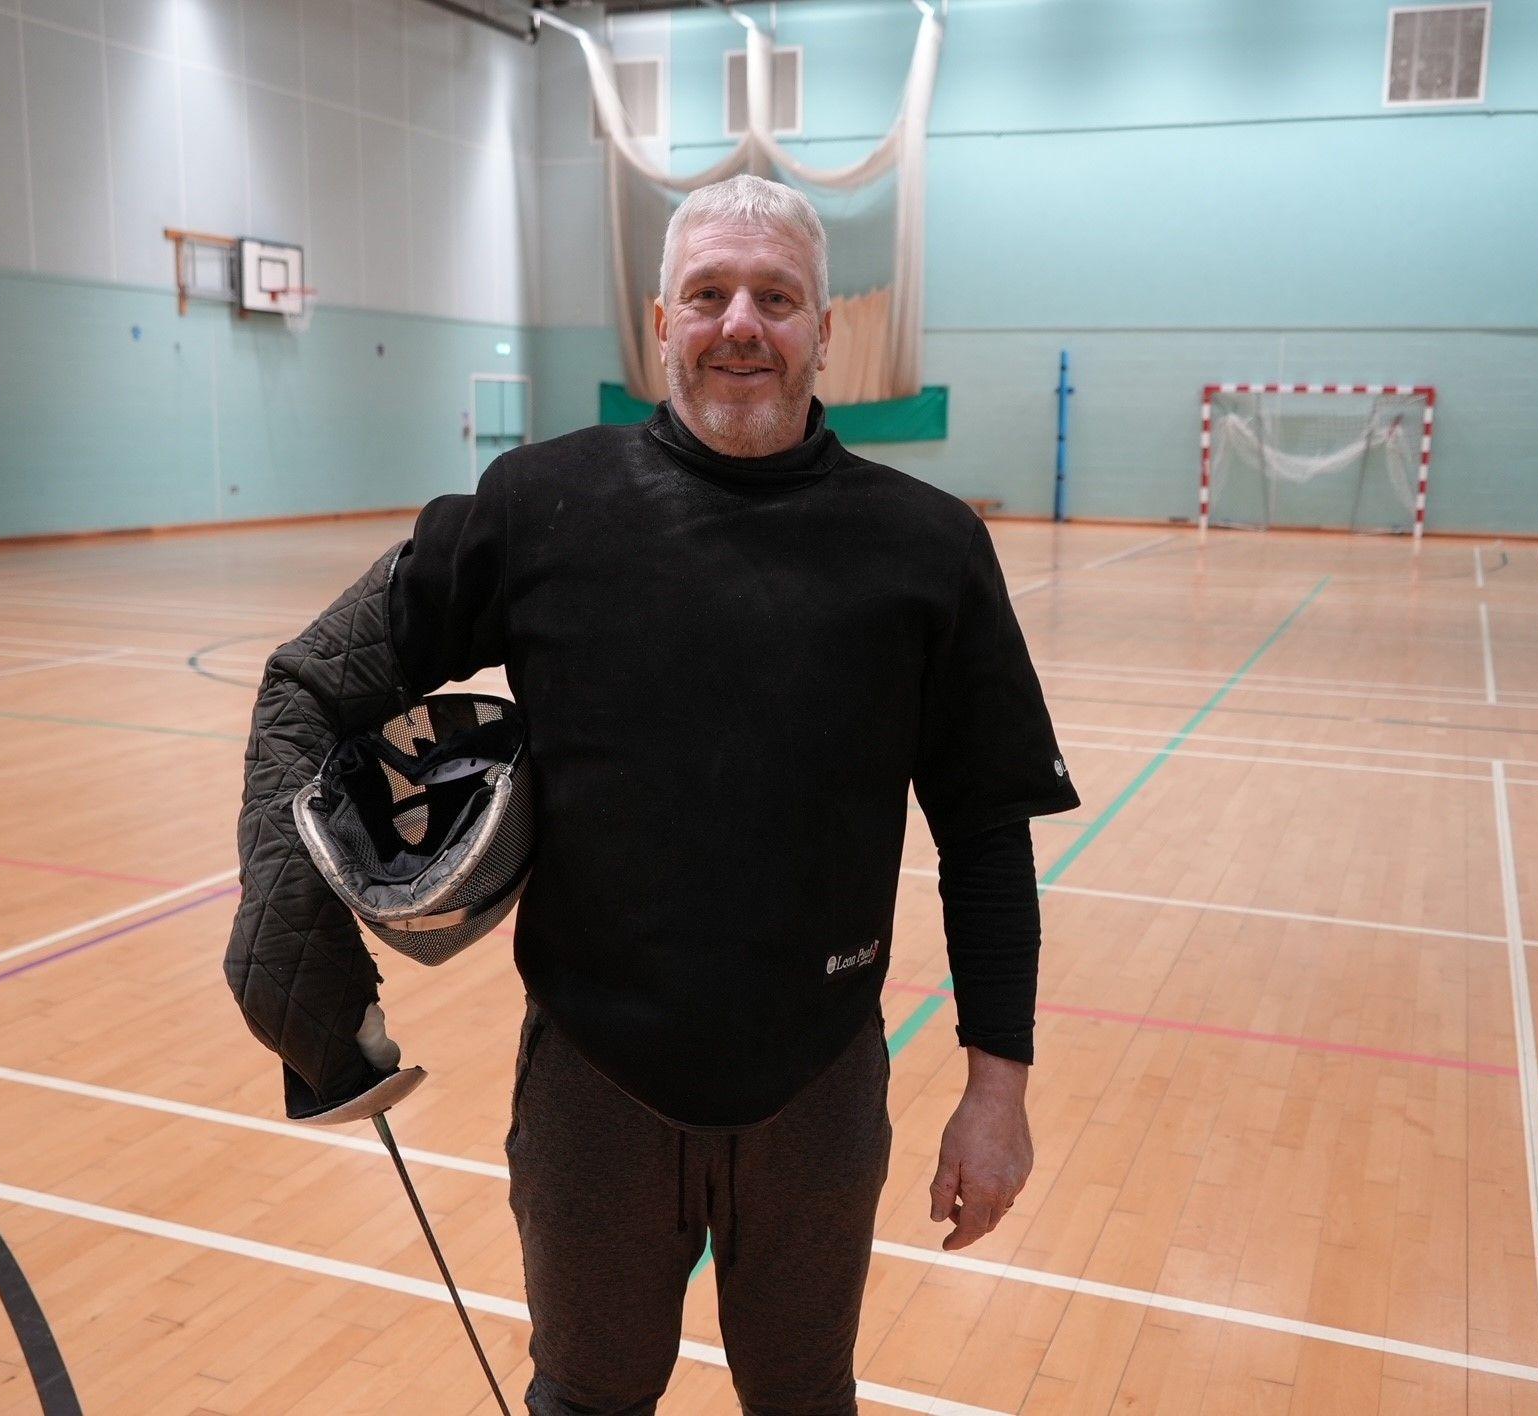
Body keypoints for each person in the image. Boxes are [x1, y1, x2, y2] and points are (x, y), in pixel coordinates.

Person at [225, 174, 1079, 1415]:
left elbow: (985, 841)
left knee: (803, 1400)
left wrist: (996, 1091)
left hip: (818, 1082)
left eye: (775, 296)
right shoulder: (537, 508)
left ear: (823, 330)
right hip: (591, 1082)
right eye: (708, 293)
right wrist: (284, 932)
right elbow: (310, 682)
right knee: (584, 1400)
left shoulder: (928, 549)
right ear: (659, 321)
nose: (741, 322)